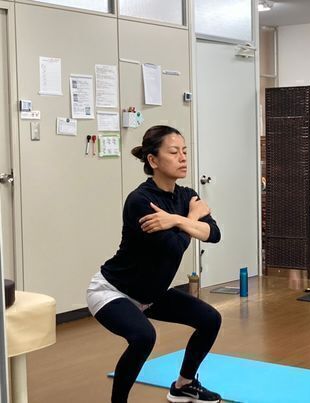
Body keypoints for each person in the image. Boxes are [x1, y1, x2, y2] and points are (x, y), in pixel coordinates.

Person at [87, 125, 222, 403]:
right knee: (143, 337)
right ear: (153, 160)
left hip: (152, 293)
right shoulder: (141, 201)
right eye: (174, 152)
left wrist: (175, 220)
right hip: (113, 291)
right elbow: (175, 247)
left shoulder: (187, 196)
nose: (183, 158)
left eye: (185, 151)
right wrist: (191, 219)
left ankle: (184, 385)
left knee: (210, 319)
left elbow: (214, 234)